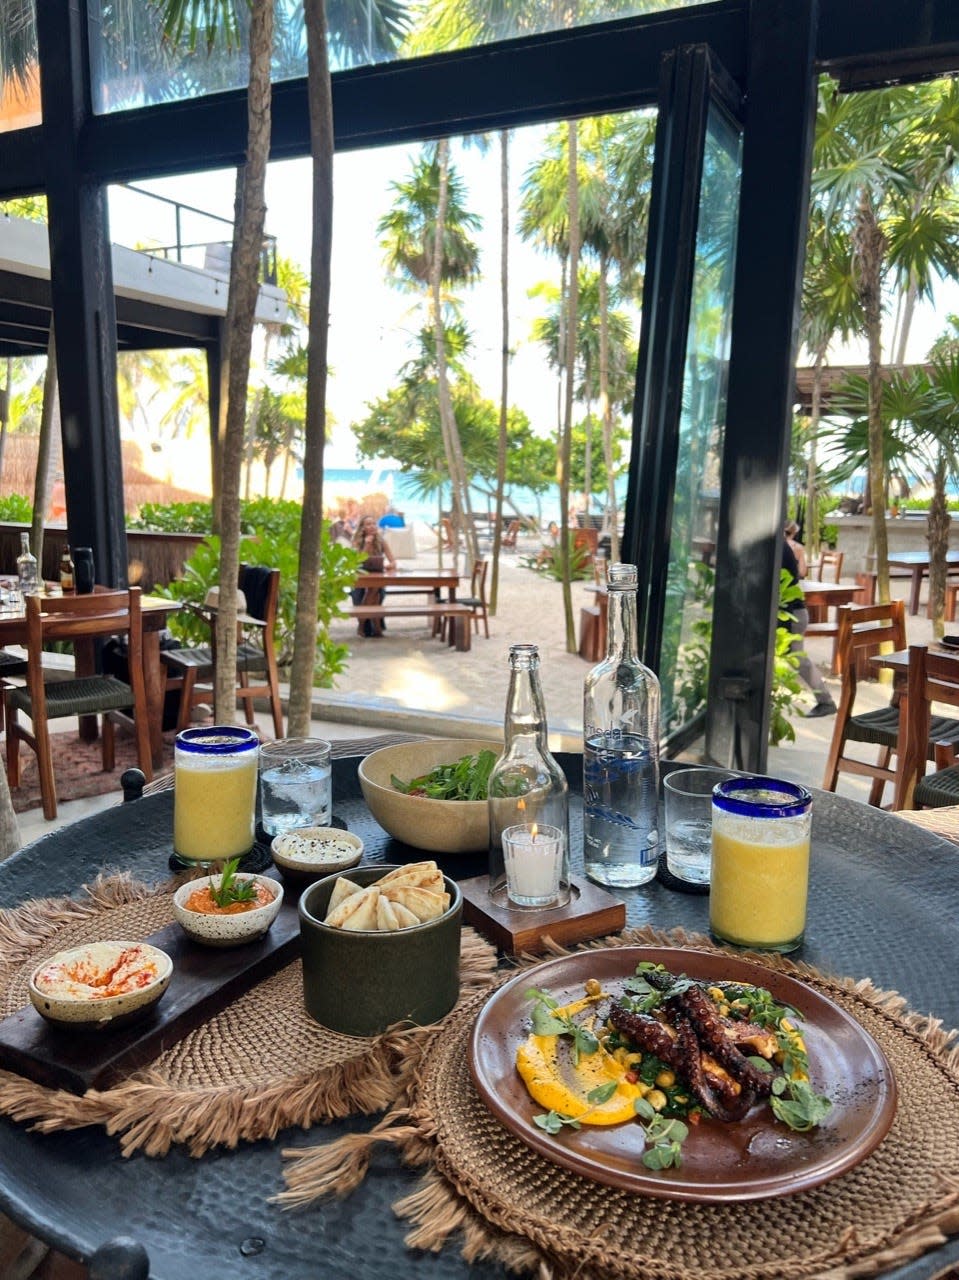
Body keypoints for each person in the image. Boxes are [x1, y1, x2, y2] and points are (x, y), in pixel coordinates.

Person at [782, 535, 837, 717]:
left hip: (791, 615)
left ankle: (826, 701)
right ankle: (826, 701)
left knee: (798, 660)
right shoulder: (781, 546)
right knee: (798, 660)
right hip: (794, 612)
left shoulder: (776, 548)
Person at [351, 514, 397, 637]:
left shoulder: (381, 541)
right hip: (360, 576)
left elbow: (393, 561)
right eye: (368, 524)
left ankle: (362, 625)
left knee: (373, 590)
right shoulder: (357, 541)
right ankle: (376, 626)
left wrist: (390, 565)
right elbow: (357, 561)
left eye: (373, 524)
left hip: (377, 575)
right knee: (373, 593)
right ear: (362, 528)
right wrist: (366, 545)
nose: (372, 526)